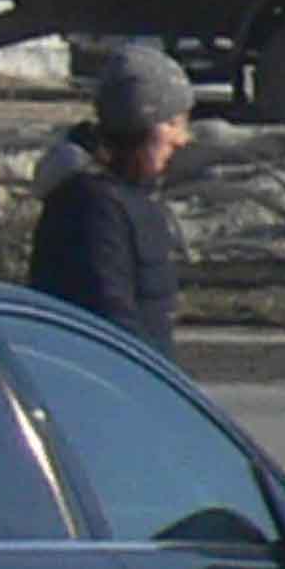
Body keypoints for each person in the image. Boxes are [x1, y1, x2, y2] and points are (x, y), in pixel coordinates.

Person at [29, 40, 190, 344]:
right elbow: (109, 322)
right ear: (138, 124)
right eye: (171, 123)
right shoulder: (91, 207)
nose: (182, 139)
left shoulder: (128, 196)